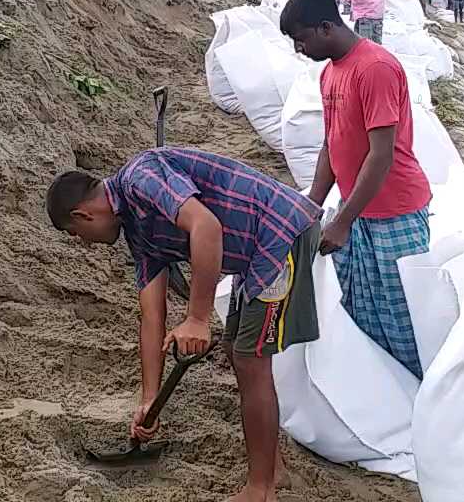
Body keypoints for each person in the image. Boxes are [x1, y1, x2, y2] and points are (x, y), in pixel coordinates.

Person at [46, 148, 322, 502]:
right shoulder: (138, 233)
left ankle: (260, 490)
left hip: (281, 233)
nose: (84, 243)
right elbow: (152, 316)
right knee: (236, 351)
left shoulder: (140, 178)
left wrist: (197, 318)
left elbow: (206, 227)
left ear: (82, 215)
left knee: (250, 359)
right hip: (254, 253)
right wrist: (149, 400)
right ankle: (273, 469)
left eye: (76, 234)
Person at [278, 0, 433, 379]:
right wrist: (313, 203)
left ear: (326, 27)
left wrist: (342, 222)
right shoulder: (331, 73)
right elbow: (333, 142)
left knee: (404, 319)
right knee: (364, 312)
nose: (300, 49)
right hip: (358, 211)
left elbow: (381, 155)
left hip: (394, 212)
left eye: (302, 39)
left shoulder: (375, 68)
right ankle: (389, 401)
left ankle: (426, 400)